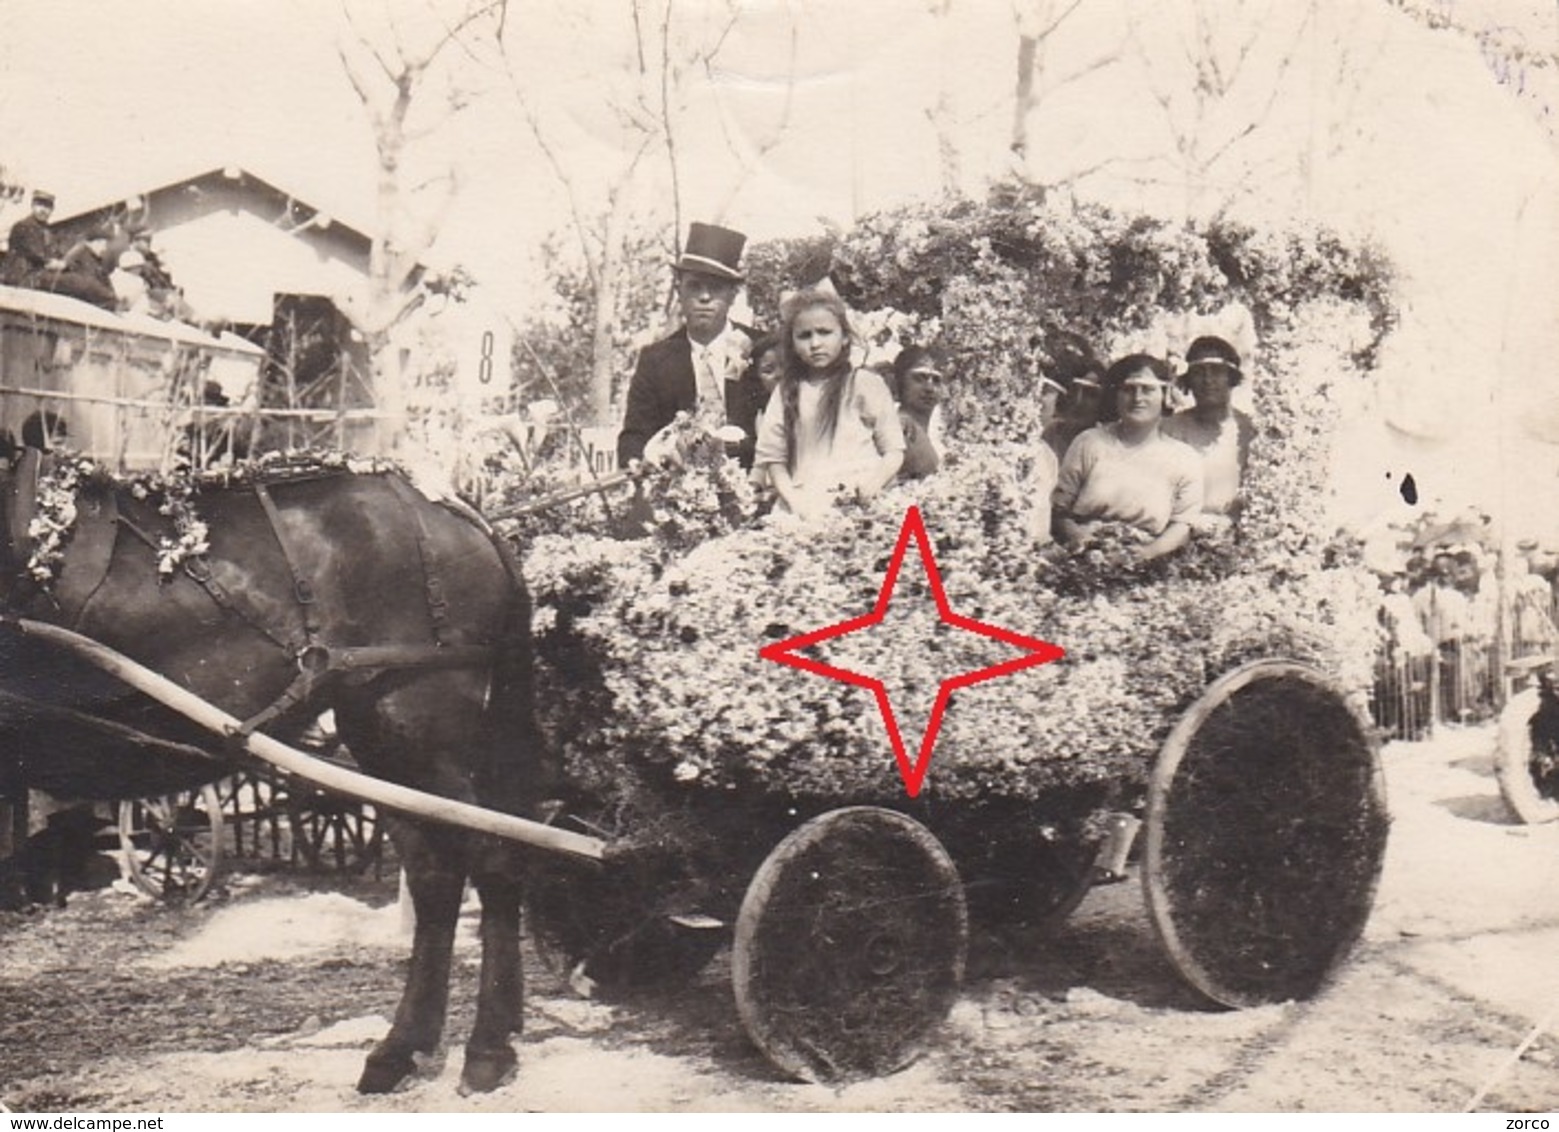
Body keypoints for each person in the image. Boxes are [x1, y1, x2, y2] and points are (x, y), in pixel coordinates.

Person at [753, 287, 905, 520]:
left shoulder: (865, 384)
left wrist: (873, 485)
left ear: (844, 337)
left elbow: (894, 450)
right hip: (807, 501)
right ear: (792, 343)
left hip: (864, 496)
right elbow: (775, 460)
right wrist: (796, 502)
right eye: (804, 335)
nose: (815, 343)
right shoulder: (786, 391)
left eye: (825, 332)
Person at [616, 222, 759, 469]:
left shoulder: (762, 349)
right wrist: (638, 464)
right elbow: (635, 436)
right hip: (680, 489)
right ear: (679, 291)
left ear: (733, 294)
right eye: (694, 286)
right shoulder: (656, 360)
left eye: (715, 288)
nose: (704, 297)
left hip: (756, 486)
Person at [1051, 354, 1203, 563]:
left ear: (1166, 395)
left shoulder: (1184, 458)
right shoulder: (1089, 443)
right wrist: (1083, 540)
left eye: (1147, 389)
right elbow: (1059, 511)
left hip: (1149, 561)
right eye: (1128, 389)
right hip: (1084, 555)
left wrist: (1147, 553)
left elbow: (1182, 524)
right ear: (1116, 395)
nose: (1137, 398)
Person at [1162, 335, 1256, 520]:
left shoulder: (1250, 432)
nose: (1208, 380)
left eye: (1217, 371)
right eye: (1199, 372)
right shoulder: (1169, 429)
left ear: (1232, 378)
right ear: (1189, 380)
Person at [891, 345, 947, 480]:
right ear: (900, 382)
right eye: (920, 378)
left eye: (936, 380)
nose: (929, 388)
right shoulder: (895, 428)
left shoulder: (939, 442)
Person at [1039, 351, 1105, 465]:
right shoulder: (1050, 434)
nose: (1078, 400)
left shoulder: (1105, 444)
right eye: (1074, 390)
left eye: (1090, 394)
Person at [1, 190, 64, 286]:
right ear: (33, 206)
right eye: (39, 205)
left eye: (47, 207)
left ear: (52, 210)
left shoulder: (48, 231)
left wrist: (62, 262)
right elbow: (36, 254)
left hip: (39, 275)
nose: (43, 210)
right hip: (22, 276)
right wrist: (53, 263)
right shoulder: (23, 226)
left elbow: (56, 253)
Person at [48, 227, 118, 310]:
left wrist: (113, 296)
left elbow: (104, 279)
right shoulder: (79, 253)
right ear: (91, 243)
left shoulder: (97, 259)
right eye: (102, 244)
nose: (104, 248)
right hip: (81, 303)